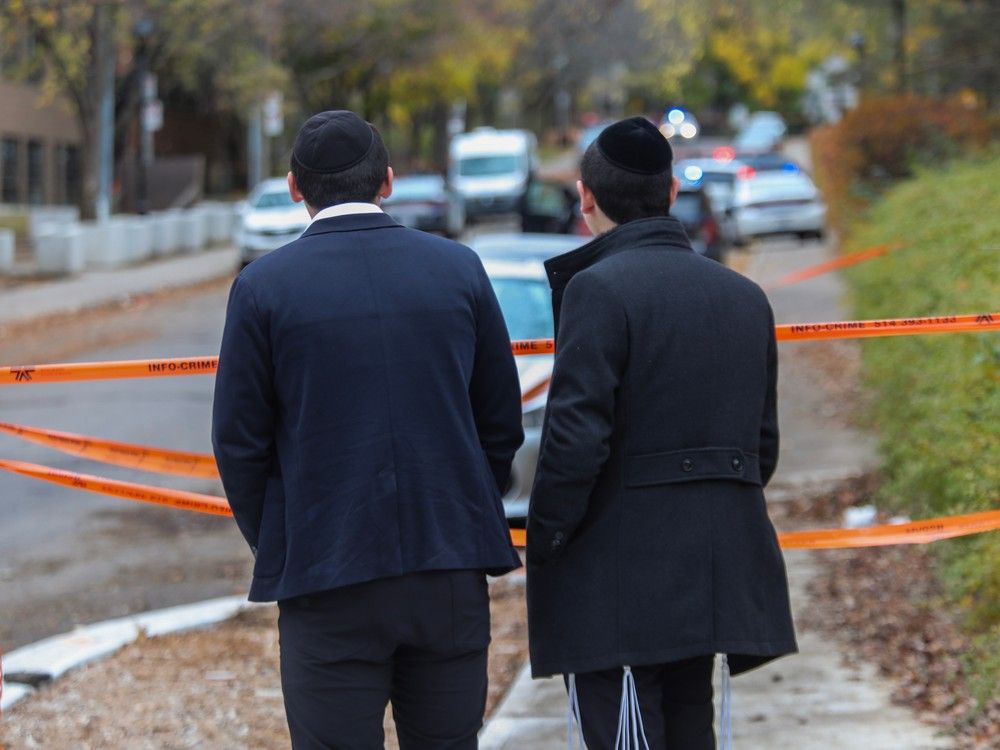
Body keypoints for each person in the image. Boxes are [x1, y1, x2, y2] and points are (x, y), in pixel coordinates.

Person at [212, 110, 524, 749]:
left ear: (296, 187)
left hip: (327, 573)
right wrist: (461, 504)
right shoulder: (458, 268)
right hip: (448, 568)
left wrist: (285, 534)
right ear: (388, 180)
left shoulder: (263, 288)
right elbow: (500, 419)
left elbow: (239, 442)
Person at [525, 116, 797, 749]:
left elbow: (574, 442)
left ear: (586, 199)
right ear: (671, 193)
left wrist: (548, 540)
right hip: (711, 576)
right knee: (691, 727)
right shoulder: (744, 296)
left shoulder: (597, 291)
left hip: (615, 579)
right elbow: (763, 447)